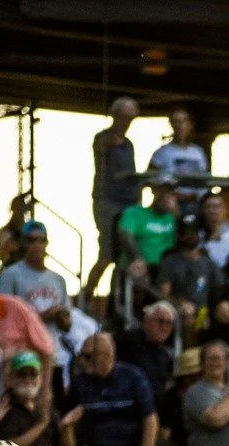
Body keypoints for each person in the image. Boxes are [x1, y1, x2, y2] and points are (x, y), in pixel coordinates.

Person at [61, 332, 155, 446]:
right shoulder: (80, 383)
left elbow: (150, 417)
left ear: (106, 356)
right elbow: (69, 420)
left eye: (88, 356)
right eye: (80, 355)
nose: (81, 361)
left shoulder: (133, 377)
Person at [86, 98, 143, 301]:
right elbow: (103, 145)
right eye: (124, 116)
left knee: (124, 256)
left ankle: (115, 299)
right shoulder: (103, 138)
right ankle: (86, 295)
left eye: (130, 118)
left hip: (128, 203)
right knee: (107, 254)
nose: (127, 122)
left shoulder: (129, 144)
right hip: (108, 202)